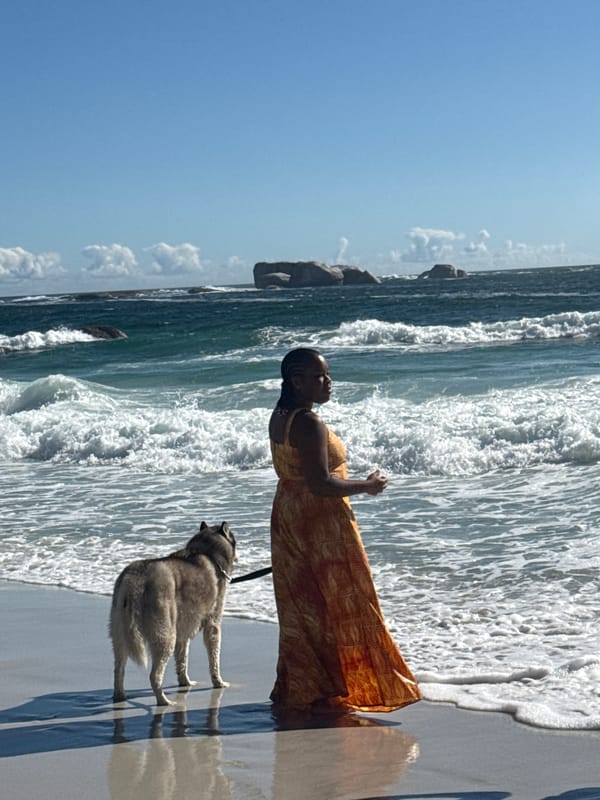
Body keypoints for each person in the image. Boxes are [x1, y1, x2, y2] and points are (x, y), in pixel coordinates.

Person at [268, 347, 421, 713]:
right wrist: (366, 486)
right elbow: (320, 483)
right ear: (297, 381)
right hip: (321, 523)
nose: (328, 382)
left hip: (290, 514)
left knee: (305, 603)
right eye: (320, 376)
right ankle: (362, 685)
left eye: (327, 374)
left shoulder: (280, 415)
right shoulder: (308, 422)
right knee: (348, 597)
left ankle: (315, 686)